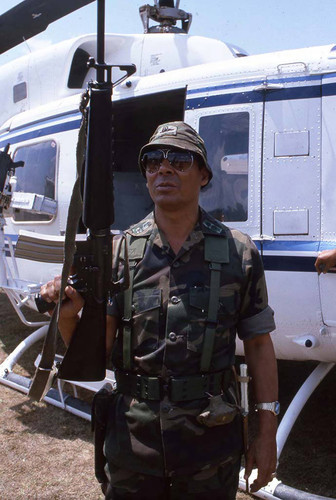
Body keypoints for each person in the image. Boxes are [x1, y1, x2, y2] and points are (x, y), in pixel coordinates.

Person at [41, 122, 278, 500]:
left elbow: (260, 346)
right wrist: (70, 316)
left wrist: (267, 433)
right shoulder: (121, 253)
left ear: (203, 175)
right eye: (153, 161)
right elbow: (96, 354)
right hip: (133, 446)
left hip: (210, 446)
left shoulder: (239, 252)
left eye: (179, 160)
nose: (163, 169)